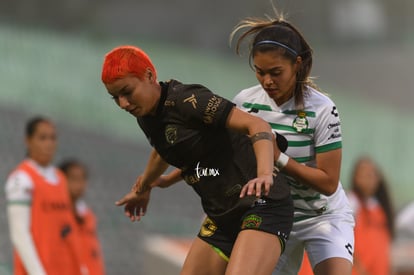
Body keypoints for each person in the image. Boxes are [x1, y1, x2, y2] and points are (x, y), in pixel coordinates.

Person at [100, 45, 294, 275]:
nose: (123, 104)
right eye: (115, 98)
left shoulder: (187, 100)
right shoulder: (146, 115)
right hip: (222, 214)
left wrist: (264, 174)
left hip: (262, 204)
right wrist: (145, 187)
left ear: (149, 76)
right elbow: (163, 150)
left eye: (127, 92)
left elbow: (257, 126)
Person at [230, 13, 355, 275]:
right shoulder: (245, 102)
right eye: (260, 72)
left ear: (297, 64)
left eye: (276, 73)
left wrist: (278, 158)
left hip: (321, 214)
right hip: (273, 215)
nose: (267, 81)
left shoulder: (322, 109)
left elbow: (329, 183)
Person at [4, 116, 84, 275]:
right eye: (42, 138)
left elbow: (67, 228)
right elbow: (19, 234)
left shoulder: (60, 178)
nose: (49, 144)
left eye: (53, 138)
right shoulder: (21, 179)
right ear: (28, 140)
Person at [347, 156, 394, 275]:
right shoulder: (351, 202)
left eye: (373, 174)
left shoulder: (379, 207)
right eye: (365, 174)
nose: (370, 179)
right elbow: (344, 241)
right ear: (355, 178)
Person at [59, 159, 106, 275]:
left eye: (83, 179)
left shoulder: (88, 216)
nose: (79, 184)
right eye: (74, 179)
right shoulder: (56, 213)